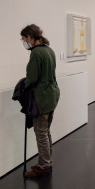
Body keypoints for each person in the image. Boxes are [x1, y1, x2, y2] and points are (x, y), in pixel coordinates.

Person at [20, 24, 60, 178]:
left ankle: (44, 166)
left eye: (24, 39)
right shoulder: (49, 50)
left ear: (30, 37)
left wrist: (24, 86)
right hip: (52, 95)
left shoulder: (36, 53)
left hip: (42, 97)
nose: (24, 42)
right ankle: (46, 161)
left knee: (41, 133)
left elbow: (32, 77)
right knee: (45, 131)